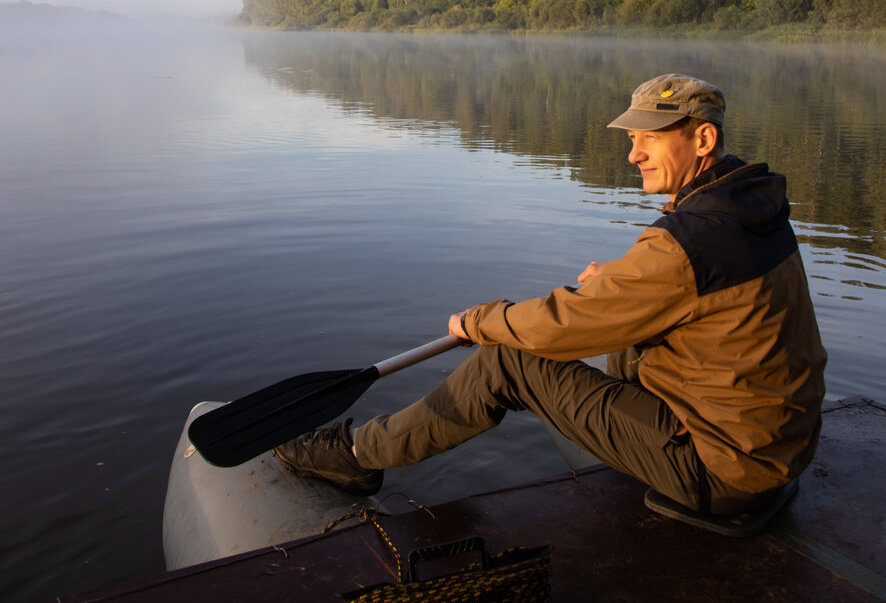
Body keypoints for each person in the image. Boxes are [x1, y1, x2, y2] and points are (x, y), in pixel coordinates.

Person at [273, 74, 827, 518]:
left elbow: (561, 327)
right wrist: (620, 282)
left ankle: (355, 457)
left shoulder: (690, 239)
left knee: (509, 361)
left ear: (702, 139)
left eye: (650, 138)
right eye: (632, 139)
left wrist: (481, 320)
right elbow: (707, 299)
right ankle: (636, 436)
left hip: (723, 473)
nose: (634, 155)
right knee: (624, 334)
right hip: (776, 451)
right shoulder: (750, 209)